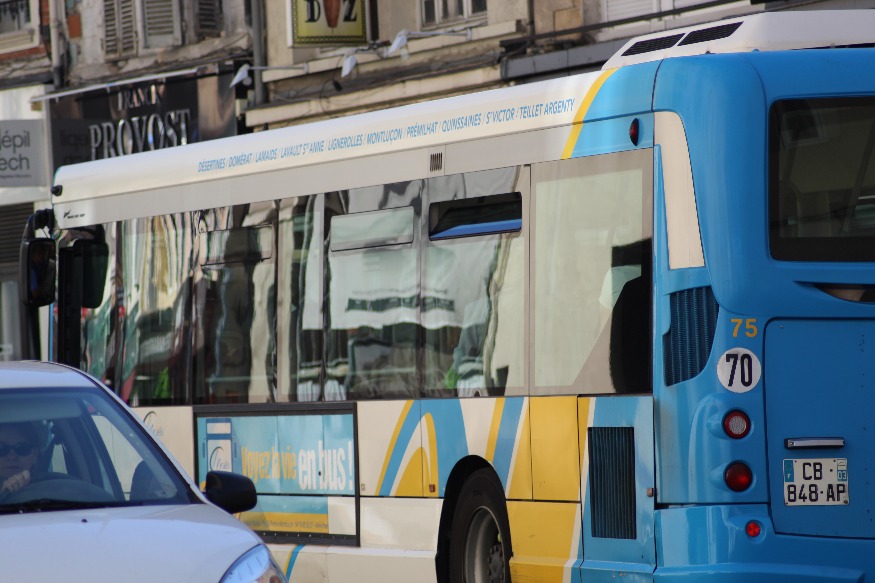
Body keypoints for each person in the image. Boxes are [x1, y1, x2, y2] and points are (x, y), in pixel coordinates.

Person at [0, 422, 39, 494]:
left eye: (22, 448)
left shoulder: (50, 490)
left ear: (35, 455)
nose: (12, 457)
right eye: (2, 448)